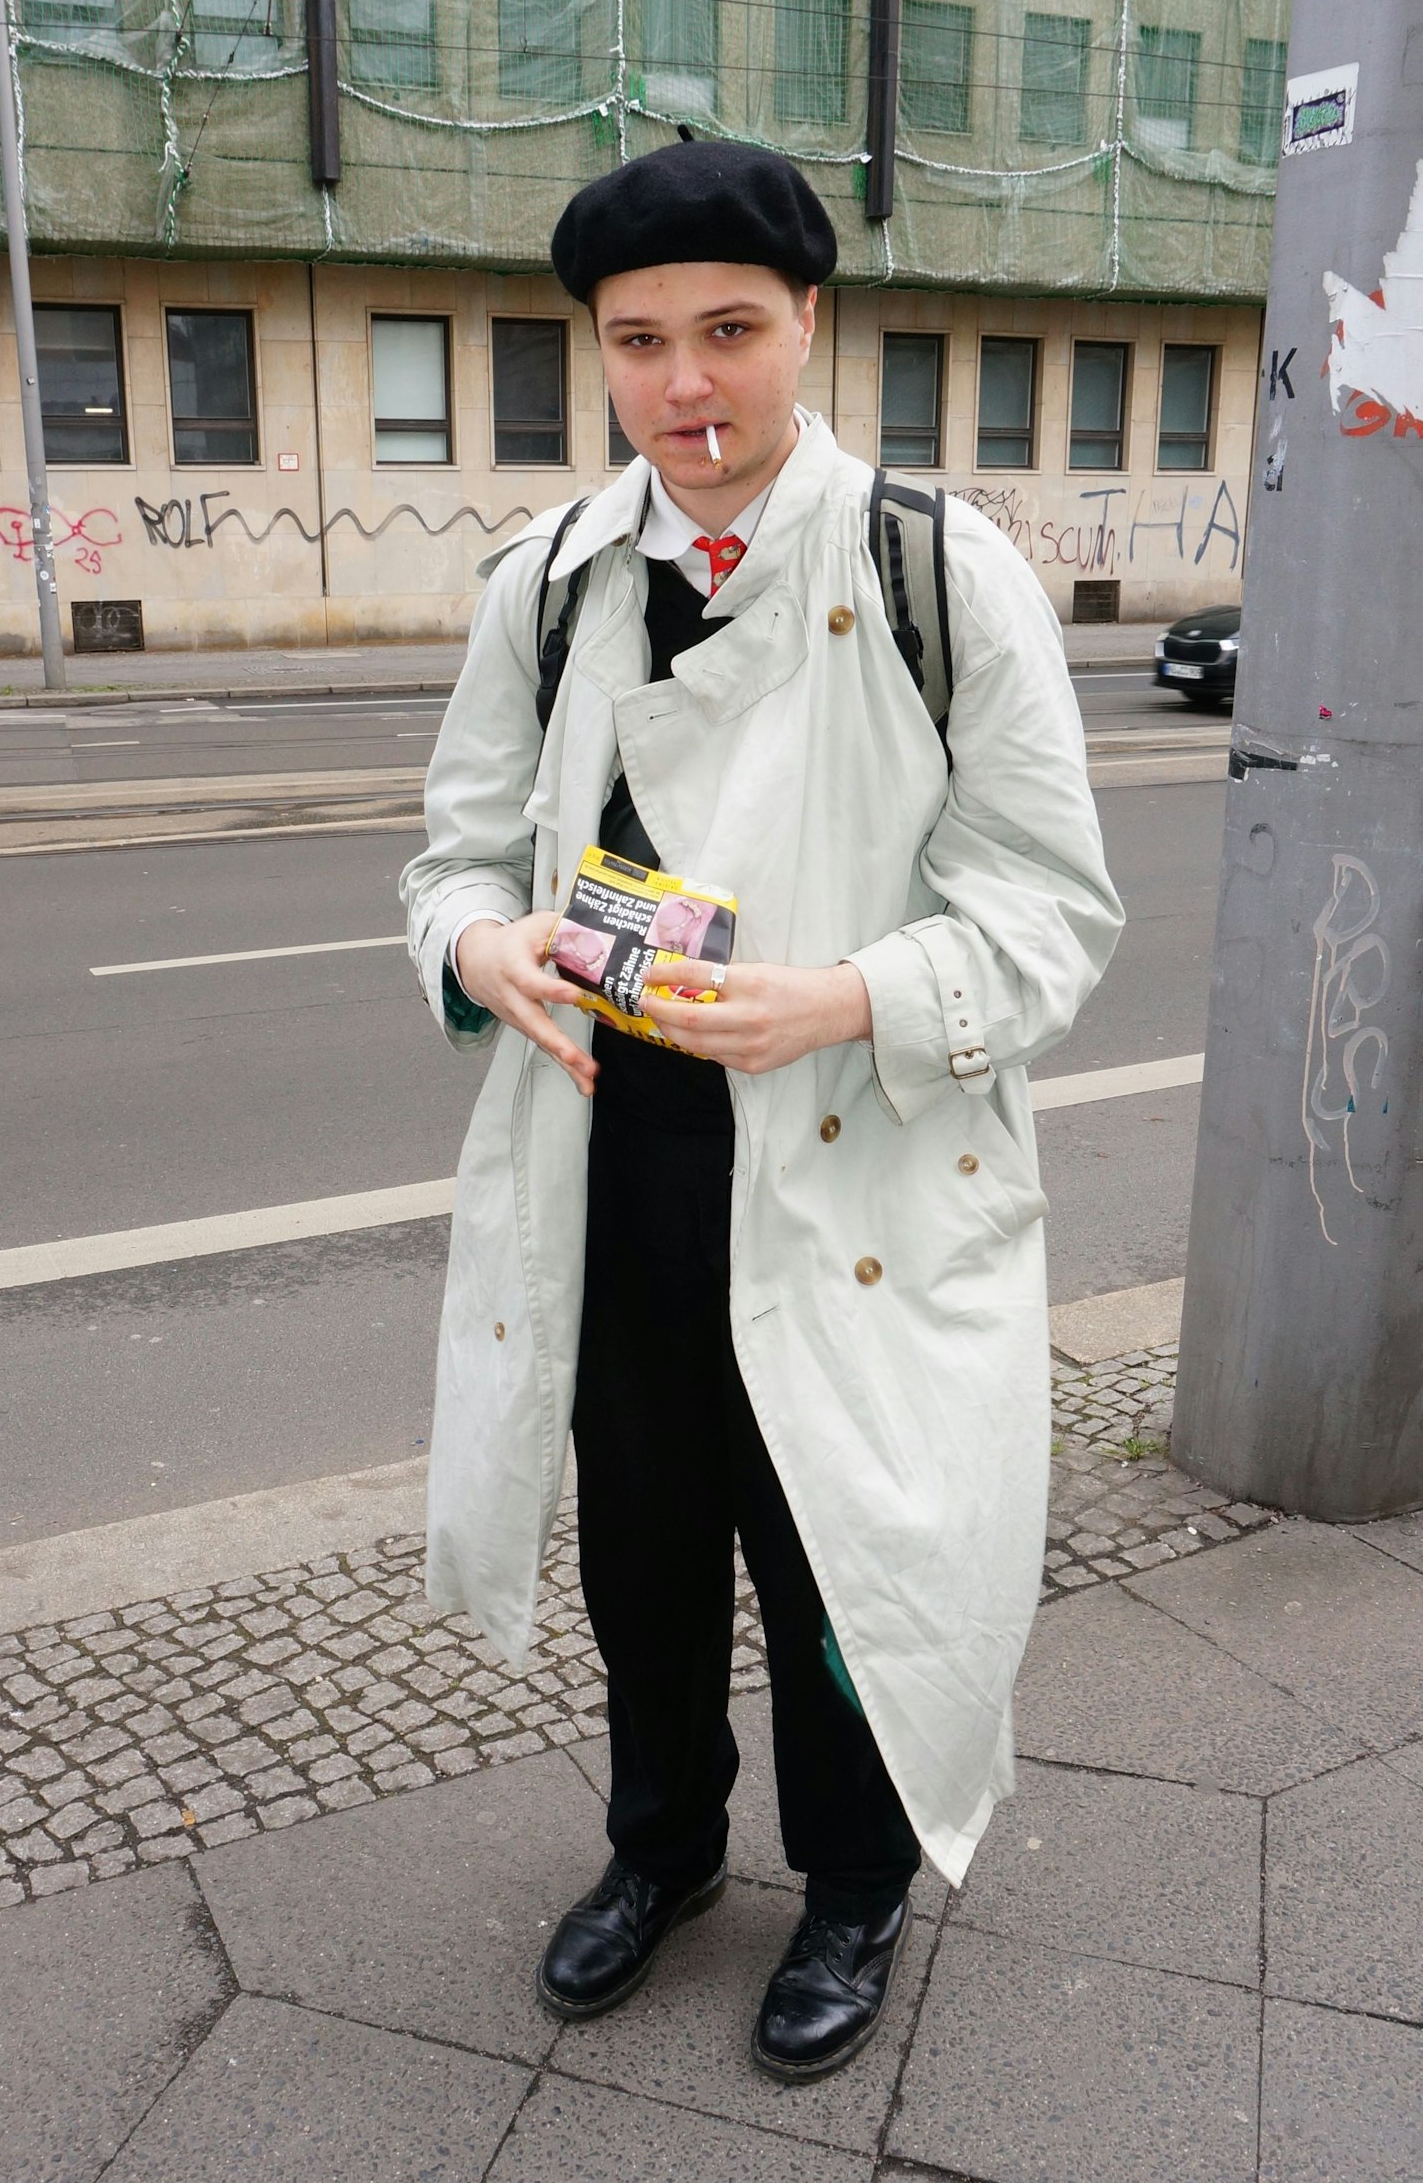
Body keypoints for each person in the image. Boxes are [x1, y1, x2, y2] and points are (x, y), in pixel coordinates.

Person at [402, 137, 1122, 2082]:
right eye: (638, 341)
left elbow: (1054, 913)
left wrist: (845, 999)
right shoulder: (550, 583)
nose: (685, 383)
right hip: (616, 1176)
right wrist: (483, 949)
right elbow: (453, 860)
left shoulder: (931, 570)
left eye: (728, 329)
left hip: (850, 1172)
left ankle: (856, 1886)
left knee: (839, 1572)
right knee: (641, 1565)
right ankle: (661, 1851)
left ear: (808, 323)